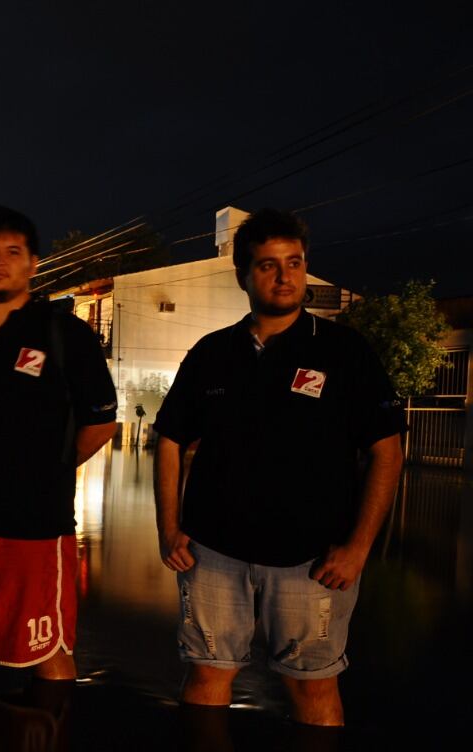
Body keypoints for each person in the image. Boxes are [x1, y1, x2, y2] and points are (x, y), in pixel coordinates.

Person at [154, 208, 405, 726]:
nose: (286, 275)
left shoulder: (343, 352)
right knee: (206, 676)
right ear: (244, 275)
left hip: (311, 562)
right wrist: (169, 528)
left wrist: (359, 549)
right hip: (212, 554)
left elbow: (387, 450)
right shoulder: (211, 353)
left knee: (312, 688)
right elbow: (171, 439)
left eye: (295, 262)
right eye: (268, 265)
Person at [0, 207, 117, 685]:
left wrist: (46, 469)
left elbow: (101, 424)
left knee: (45, 654)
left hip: (33, 528)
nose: (0, 262)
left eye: (13, 252)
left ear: (34, 263)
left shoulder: (64, 334)